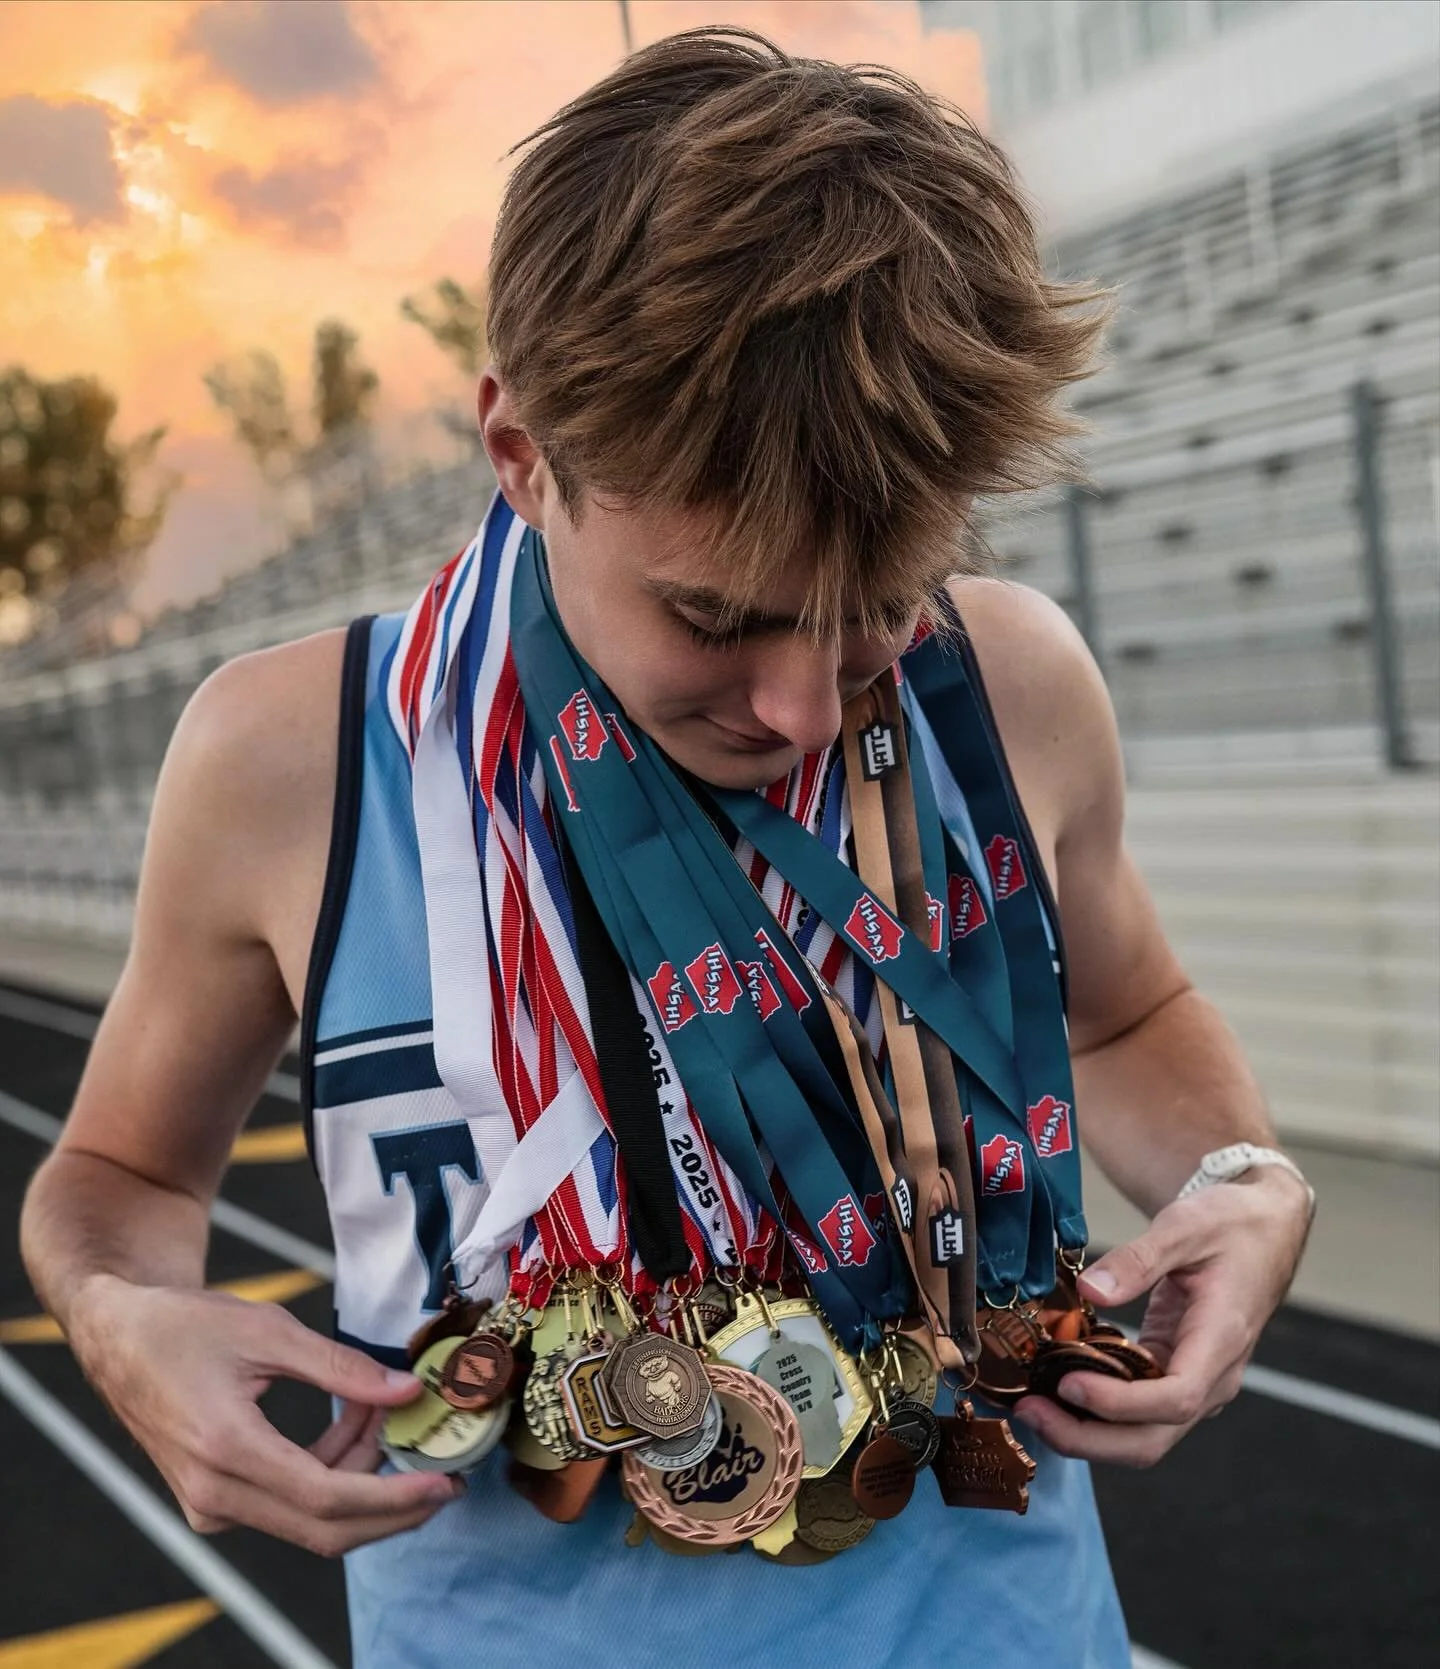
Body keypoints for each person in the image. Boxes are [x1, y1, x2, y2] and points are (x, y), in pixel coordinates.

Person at [20, 28, 1314, 1669]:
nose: (800, 706)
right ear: (521, 456)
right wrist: (122, 1318)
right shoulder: (290, 765)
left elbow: (1125, 1022)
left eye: (875, 610)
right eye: (717, 616)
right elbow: (117, 1180)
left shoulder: (1010, 685)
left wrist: (1246, 1176)